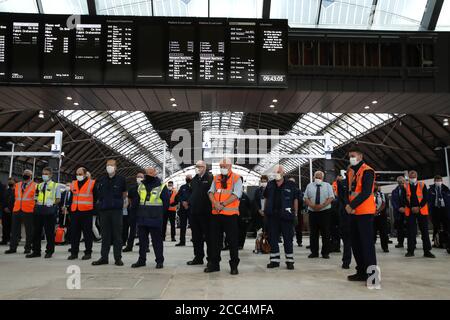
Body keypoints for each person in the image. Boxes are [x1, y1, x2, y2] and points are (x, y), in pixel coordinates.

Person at [345, 146, 377, 282]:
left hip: (364, 212)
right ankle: (361, 272)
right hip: (354, 213)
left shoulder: (368, 171)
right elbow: (350, 191)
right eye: (350, 156)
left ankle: (373, 277)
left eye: (353, 155)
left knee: (367, 245)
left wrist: (351, 205)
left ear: (360, 156)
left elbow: (366, 192)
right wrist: (349, 205)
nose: (351, 158)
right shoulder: (351, 171)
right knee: (356, 244)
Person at [207, 158, 242, 275]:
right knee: (214, 241)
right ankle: (214, 264)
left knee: (232, 241)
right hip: (216, 214)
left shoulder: (236, 178)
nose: (223, 168)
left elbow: (237, 194)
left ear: (230, 166)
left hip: (230, 215)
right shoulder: (216, 177)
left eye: (225, 166)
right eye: (221, 166)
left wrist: (222, 204)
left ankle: (234, 266)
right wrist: (215, 203)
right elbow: (211, 192)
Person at [131, 167, 169, 269]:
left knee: (157, 241)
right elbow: (136, 202)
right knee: (142, 242)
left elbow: (166, 204)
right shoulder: (141, 186)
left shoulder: (162, 186)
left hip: (155, 219)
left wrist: (159, 214)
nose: (149, 174)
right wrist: (134, 215)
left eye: (151, 172)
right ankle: (141, 260)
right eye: (147, 172)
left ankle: (159, 261)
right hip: (142, 218)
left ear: (155, 173)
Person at [92, 159, 128, 266]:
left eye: (111, 165)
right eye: (108, 165)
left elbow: (124, 193)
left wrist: (117, 202)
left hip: (116, 211)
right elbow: (98, 194)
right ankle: (104, 258)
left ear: (116, 167)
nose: (109, 167)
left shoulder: (121, 179)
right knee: (105, 235)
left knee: (117, 235)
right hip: (104, 211)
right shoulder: (102, 179)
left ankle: (118, 258)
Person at [264, 166, 298, 270]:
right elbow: (266, 198)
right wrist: (265, 212)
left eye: (278, 172)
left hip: (286, 215)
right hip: (272, 216)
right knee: (273, 238)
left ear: (283, 173)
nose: (276, 174)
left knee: (288, 239)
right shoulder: (270, 184)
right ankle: (274, 261)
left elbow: (295, 199)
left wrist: (295, 214)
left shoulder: (291, 184)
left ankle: (289, 261)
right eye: (274, 172)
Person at [27, 167, 61, 258]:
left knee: (49, 232)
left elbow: (58, 199)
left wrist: (52, 203)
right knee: (36, 232)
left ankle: (49, 251)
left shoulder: (56, 185)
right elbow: (36, 196)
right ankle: (36, 251)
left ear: (51, 175)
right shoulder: (39, 185)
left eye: (46, 174)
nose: (44, 175)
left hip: (49, 211)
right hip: (38, 210)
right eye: (43, 173)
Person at [400, 171, 435, 258]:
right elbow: (403, 199)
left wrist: (418, 207)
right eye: (411, 177)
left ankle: (427, 251)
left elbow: (426, 198)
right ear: (408, 177)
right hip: (410, 211)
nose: (412, 178)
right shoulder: (405, 186)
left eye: (414, 176)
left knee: (425, 232)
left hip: (421, 211)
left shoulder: (422, 185)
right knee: (410, 232)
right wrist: (411, 207)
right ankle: (410, 251)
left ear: (417, 176)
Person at [187, 160, 213, 266]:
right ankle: (198, 257)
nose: (198, 168)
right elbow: (191, 193)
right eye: (196, 166)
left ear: (205, 167)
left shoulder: (210, 178)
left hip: (206, 213)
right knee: (196, 237)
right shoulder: (194, 180)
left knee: (209, 237)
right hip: (194, 212)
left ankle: (211, 259)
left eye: (200, 166)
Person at [304, 171, 335, 259]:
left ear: (323, 178)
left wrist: (322, 205)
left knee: (326, 233)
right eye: (316, 177)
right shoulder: (309, 185)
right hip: (312, 212)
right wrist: (312, 205)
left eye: (319, 177)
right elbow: (306, 198)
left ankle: (325, 253)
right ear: (314, 177)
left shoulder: (328, 185)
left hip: (325, 212)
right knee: (313, 233)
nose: (318, 179)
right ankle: (314, 252)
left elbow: (331, 197)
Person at [5, 169, 36, 255]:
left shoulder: (35, 186)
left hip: (28, 210)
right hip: (17, 210)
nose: (25, 175)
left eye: (27, 174)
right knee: (14, 230)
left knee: (29, 231)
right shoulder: (17, 185)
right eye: (24, 173)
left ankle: (28, 248)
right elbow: (13, 198)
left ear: (31, 176)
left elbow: (36, 199)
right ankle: (12, 248)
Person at [68, 167, 96, 260]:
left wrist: (94, 210)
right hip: (75, 211)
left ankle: (88, 252)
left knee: (87, 233)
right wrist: (69, 208)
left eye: (80, 174)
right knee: (74, 234)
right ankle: (74, 253)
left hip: (87, 212)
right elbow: (71, 197)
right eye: (77, 174)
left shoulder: (92, 183)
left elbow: (96, 198)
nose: (78, 176)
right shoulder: (73, 183)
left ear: (85, 174)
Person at [123, 171, 144, 252]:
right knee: (132, 229)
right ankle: (129, 246)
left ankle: (145, 246)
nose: (139, 178)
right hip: (133, 210)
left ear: (143, 178)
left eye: (141, 177)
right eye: (138, 176)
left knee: (143, 229)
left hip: (143, 211)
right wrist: (131, 206)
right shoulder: (132, 187)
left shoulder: (145, 187)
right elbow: (129, 199)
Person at [428, 175, 449, 248]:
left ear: (442, 181)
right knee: (436, 226)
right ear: (434, 181)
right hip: (435, 209)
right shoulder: (430, 189)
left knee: (446, 225)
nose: (438, 182)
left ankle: (446, 241)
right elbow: (428, 200)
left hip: (444, 209)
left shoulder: (446, 189)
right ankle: (436, 241)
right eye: (437, 180)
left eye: (439, 180)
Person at [336, 172, 352, 269]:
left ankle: (362, 264)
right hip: (345, 214)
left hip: (358, 213)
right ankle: (346, 262)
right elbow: (341, 198)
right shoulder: (342, 183)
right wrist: (347, 206)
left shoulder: (360, 182)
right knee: (347, 240)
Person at [173, 175, 192, 246]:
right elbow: (178, 196)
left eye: (189, 178)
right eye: (187, 178)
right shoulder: (182, 187)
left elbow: (195, 196)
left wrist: (188, 203)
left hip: (191, 209)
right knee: (182, 226)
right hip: (183, 209)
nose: (188, 179)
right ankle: (182, 241)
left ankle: (195, 240)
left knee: (193, 226)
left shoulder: (194, 186)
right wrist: (182, 202)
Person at [373, 183, 389, 253]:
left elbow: (384, 203)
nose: (376, 187)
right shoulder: (369, 194)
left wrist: (378, 211)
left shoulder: (382, 194)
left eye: (377, 186)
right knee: (372, 233)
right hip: (372, 216)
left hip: (381, 216)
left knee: (383, 232)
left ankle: (385, 247)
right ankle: (371, 247)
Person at [288, 177, 304, 247]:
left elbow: (301, 200)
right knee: (288, 227)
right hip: (288, 211)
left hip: (298, 211)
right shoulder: (286, 190)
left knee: (298, 227)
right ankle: (288, 241)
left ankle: (299, 241)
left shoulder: (298, 191)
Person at [392, 176, 406, 248]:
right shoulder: (394, 191)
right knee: (400, 229)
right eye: (399, 182)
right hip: (398, 213)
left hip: (407, 211)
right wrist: (398, 208)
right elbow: (393, 202)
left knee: (410, 228)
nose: (401, 184)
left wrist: (405, 208)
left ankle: (413, 243)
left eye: (402, 182)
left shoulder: (408, 190)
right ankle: (400, 243)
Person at [330, 175, 343, 252]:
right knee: (334, 231)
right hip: (335, 215)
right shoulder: (334, 185)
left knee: (336, 232)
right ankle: (335, 246)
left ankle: (336, 246)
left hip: (338, 215)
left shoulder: (342, 186)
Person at [0, 177, 15, 245]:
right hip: (5, 211)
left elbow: (14, 201)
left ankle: (12, 240)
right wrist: (5, 207)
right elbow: (3, 200)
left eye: (11, 180)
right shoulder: (6, 190)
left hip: (13, 211)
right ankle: (4, 239)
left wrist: (10, 208)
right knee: (5, 226)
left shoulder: (16, 191)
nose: (10, 182)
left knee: (13, 227)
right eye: (9, 180)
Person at [238, 178, 252, 250]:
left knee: (242, 232)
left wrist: (247, 216)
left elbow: (250, 206)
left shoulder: (245, 196)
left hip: (243, 217)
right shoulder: (232, 194)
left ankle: (240, 245)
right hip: (234, 216)